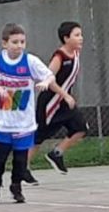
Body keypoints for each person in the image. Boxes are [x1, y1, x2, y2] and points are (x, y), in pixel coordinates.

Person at [0, 23, 71, 203]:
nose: (19, 46)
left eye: (22, 42)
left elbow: (49, 75)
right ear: (5, 44)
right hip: (3, 121)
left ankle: (16, 186)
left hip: (24, 121)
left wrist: (45, 82)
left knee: (20, 160)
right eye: (15, 42)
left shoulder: (30, 61)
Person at [28, 20, 88, 181]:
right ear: (66, 38)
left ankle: (57, 153)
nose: (81, 38)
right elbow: (48, 78)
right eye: (77, 35)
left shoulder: (75, 53)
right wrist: (65, 95)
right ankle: (22, 168)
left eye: (81, 34)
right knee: (39, 136)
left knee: (81, 128)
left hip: (64, 103)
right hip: (50, 103)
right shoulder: (59, 56)